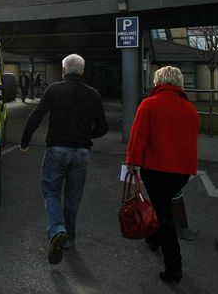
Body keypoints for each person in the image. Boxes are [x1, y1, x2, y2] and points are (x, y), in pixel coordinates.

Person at [20, 54, 108, 265]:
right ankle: (68, 239)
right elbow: (102, 127)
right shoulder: (93, 94)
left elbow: (36, 115)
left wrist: (25, 141)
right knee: (73, 197)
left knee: (51, 191)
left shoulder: (54, 90)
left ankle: (58, 229)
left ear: (63, 71)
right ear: (82, 72)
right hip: (81, 153)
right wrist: (87, 136)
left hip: (57, 150)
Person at [126, 66, 199, 284]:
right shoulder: (189, 109)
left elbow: (138, 136)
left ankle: (174, 268)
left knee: (165, 215)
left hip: (155, 169)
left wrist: (132, 162)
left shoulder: (149, 105)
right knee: (163, 206)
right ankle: (154, 238)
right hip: (181, 172)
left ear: (158, 81)